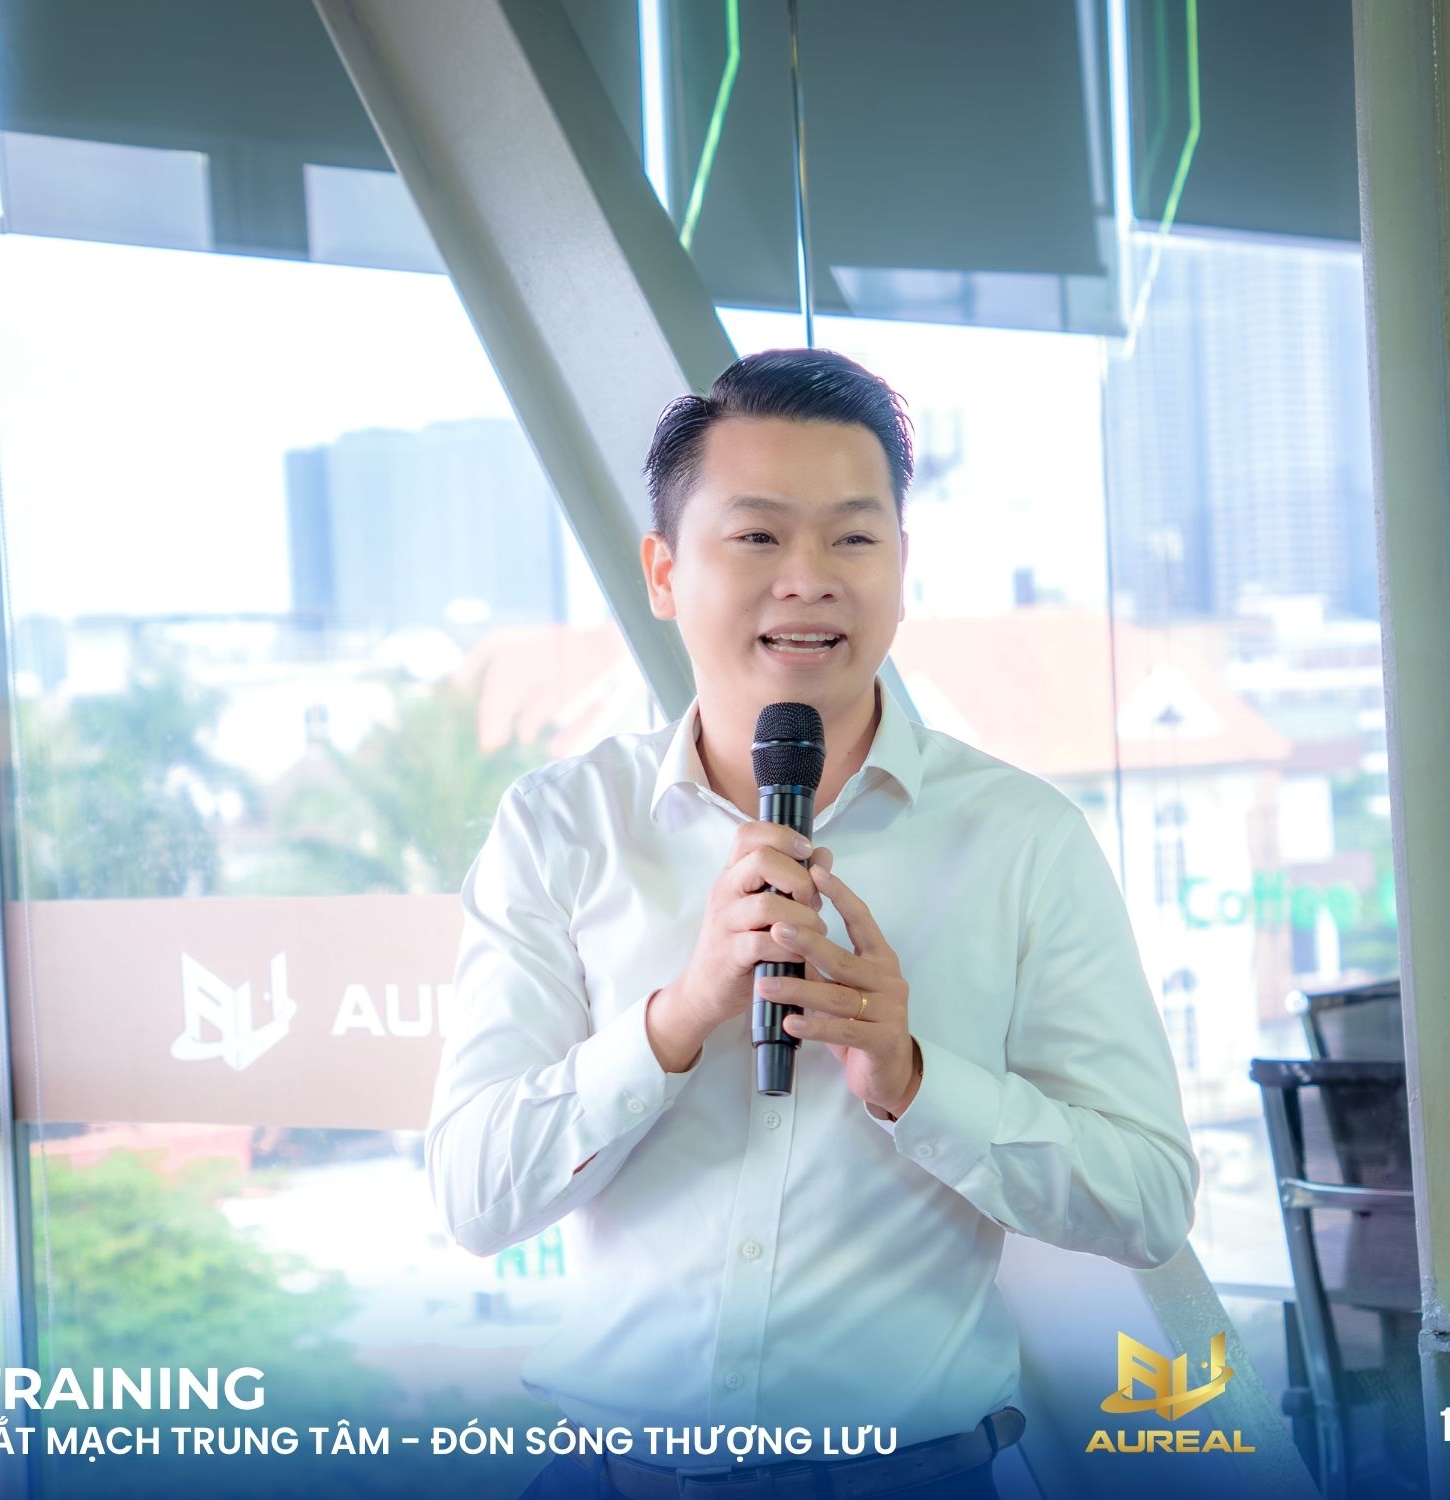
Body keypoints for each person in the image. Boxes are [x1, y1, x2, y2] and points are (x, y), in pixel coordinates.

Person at [428, 349, 1198, 1499]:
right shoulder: (562, 826)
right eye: (756, 536)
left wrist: (911, 1078)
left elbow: (1145, 1199)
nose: (808, 580)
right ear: (662, 571)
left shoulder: (1022, 839)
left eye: (851, 538)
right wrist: (675, 1018)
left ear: (900, 568)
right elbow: (476, 1196)